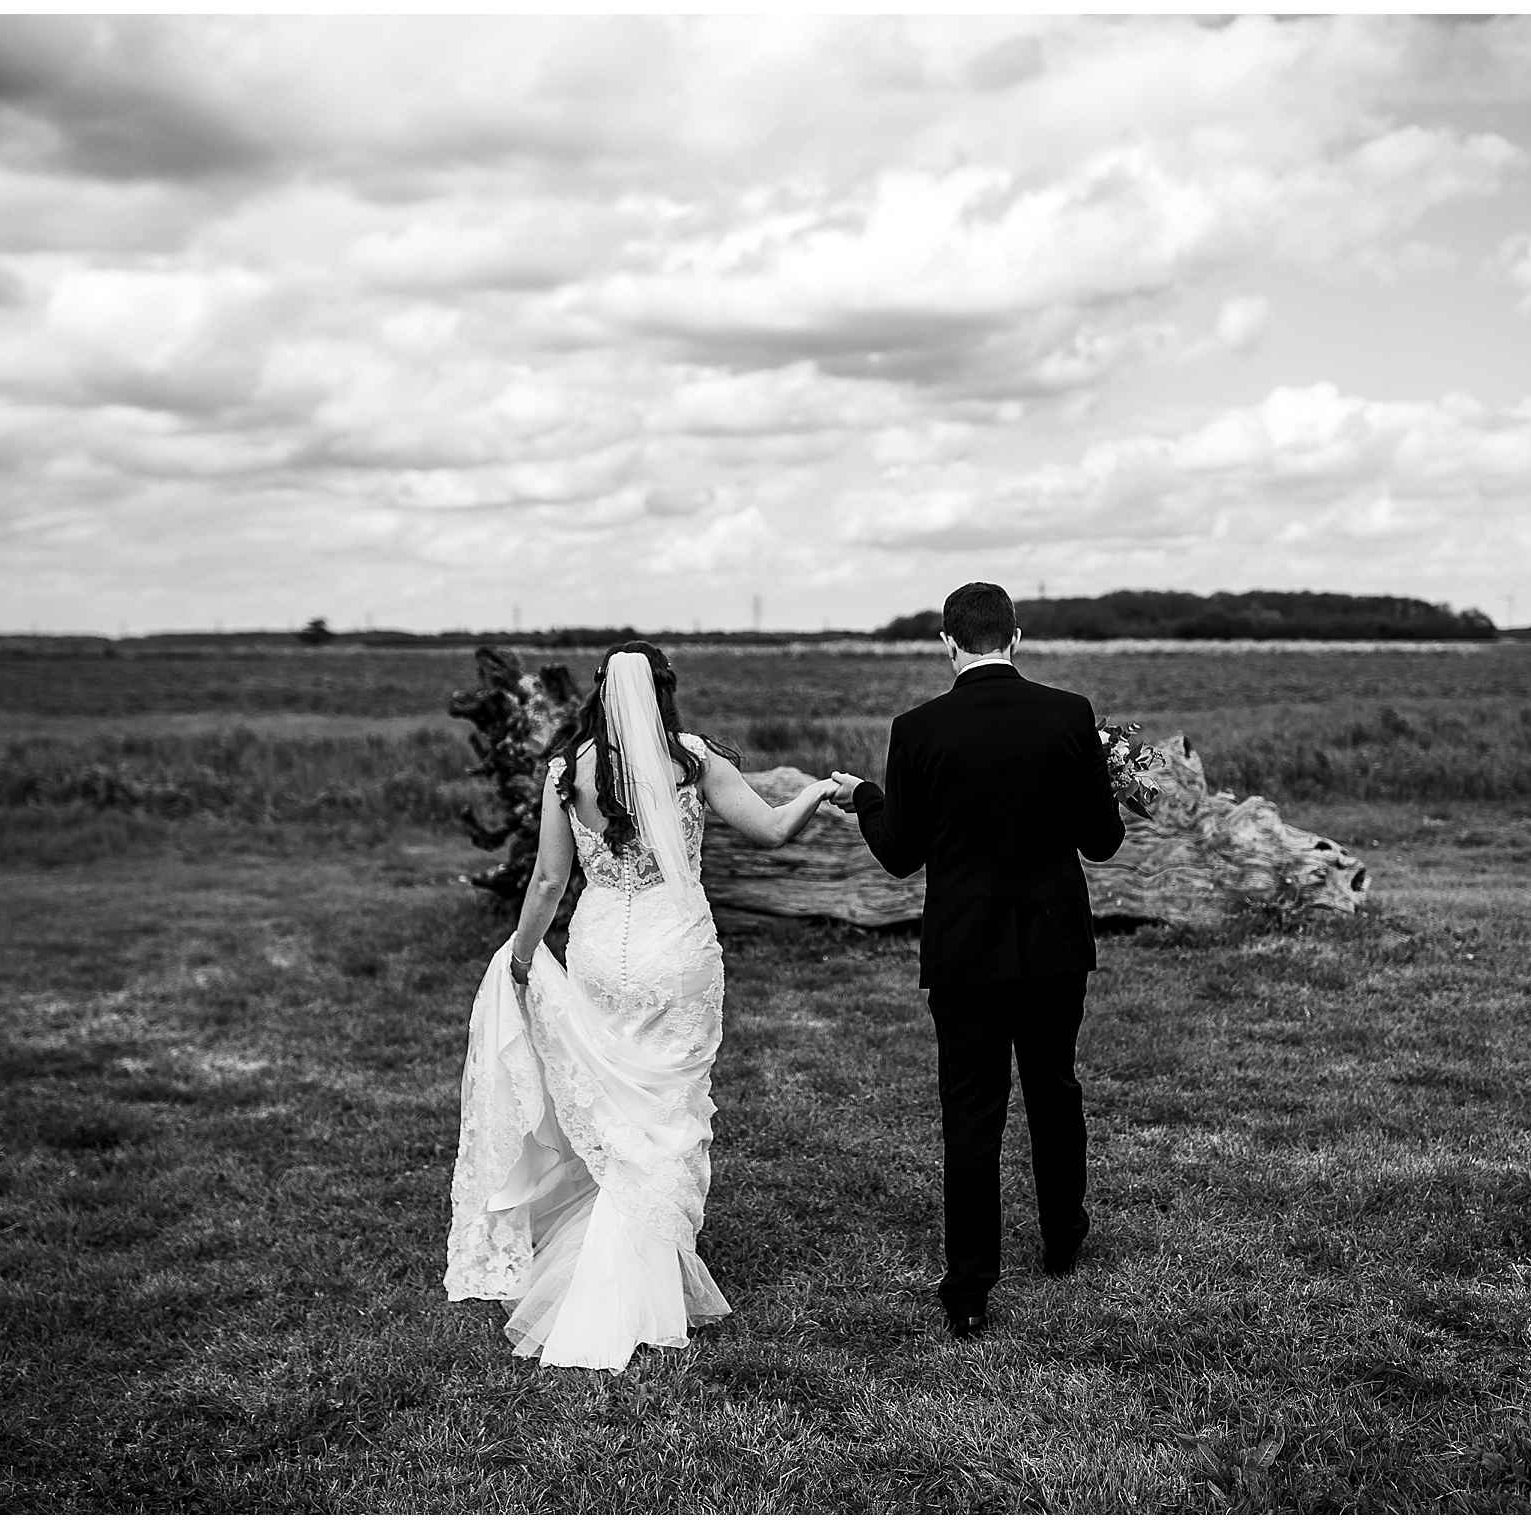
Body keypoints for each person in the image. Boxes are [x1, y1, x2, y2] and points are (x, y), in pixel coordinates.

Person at [446, 640, 835, 1371]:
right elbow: (773, 829)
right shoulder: (693, 759)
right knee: (668, 1115)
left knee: (621, 1117)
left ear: (597, 691)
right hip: (676, 949)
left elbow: (546, 882)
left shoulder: (567, 769)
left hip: (599, 948)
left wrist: (525, 956)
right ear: (664, 688)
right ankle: (630, 1288)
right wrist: (819, 791)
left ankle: (630, 1268)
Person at [826, 582, 1125, 1342]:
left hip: (965, 954)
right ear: (1016, 637)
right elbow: (1103, 842)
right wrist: (1104, 783)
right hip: (1056, 945)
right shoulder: (1069, 714)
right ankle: (1064, 1237)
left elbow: (899, 852)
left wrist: (865, 796)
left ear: (947, 642)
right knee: (1055, 1088)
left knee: (972, 1112)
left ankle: (968, 1289)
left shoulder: (918, 728)